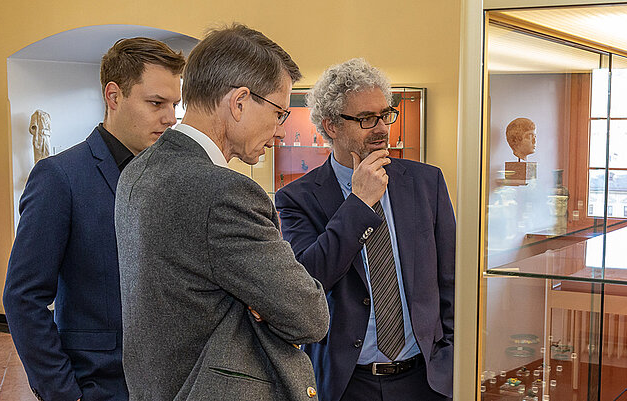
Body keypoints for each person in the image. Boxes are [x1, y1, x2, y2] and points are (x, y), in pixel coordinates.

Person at [114, 24, 329, 400]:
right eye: (280, 112)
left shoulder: (137, 170)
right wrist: (262, 301)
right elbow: (308, 315)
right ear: (240, 101)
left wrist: (258, 297)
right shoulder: (225, 193)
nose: (280, 130)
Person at [3, 37, 185, 401]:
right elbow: (23, 297)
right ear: (114, 96)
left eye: (174, 105)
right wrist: (65, 394)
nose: (169, 117)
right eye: (156, 103)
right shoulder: (60, 177)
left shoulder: (173, 176)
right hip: (99, 385)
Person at [275, 58, 455, 401]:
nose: (382, 128)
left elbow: (450, 279)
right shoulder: (296, 199)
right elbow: (309, 280)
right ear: (332, 127)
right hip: (346, 384)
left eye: (385, 115)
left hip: (425, 379)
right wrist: (359, 203)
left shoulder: (426, 182)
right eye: (366, 119)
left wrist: (448, 356)